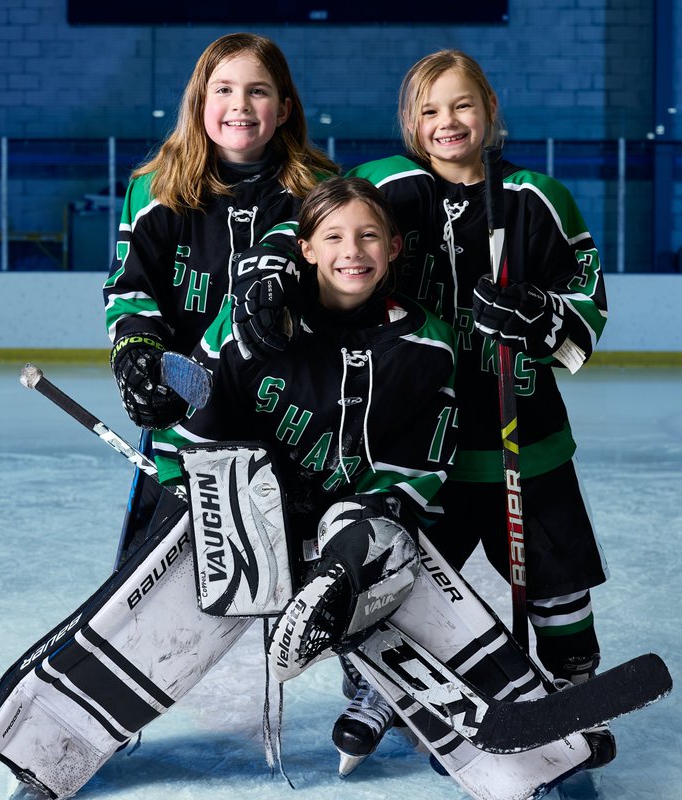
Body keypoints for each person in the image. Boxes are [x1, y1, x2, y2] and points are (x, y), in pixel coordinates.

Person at [237, 50, 613, 768]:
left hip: (521, 437)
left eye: (463, 105)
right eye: (430, 109)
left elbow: (587, 294)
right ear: (410, 120)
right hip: (409, 437)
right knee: (398, 577)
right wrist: (272, 273)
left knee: (558, 582)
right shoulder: (385, 184)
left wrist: (541, 313)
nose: (448, 121)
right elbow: (310, 224)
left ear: (491, 112)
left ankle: (573, 691)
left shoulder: (539, 196)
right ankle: (380, 691)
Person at [151, 176, 458, 678]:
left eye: (369, 236)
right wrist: (195, 484)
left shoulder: (427, 346)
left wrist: (373, 515)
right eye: (333, 237)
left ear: (394, 246)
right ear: (306, 248)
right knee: (174, 592)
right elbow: (199, 415)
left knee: (380, 535)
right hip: (244, 501)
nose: (352, 251)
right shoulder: (253, 319)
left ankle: (346, 624)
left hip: (346, 509)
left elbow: (418, 460)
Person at [102, 32, 337, 563]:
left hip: (293, 414)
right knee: (155, 586)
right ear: (199, 104)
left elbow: (343, 297)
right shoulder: (157, 188)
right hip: (189, 414)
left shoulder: (319, 191)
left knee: (302, 586)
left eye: (258, 91)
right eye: (223, 90)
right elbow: (131, 286)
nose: (240, 105)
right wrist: (136, 353)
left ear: (284, 109)